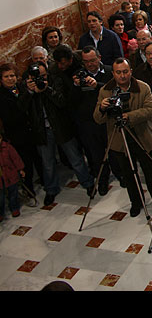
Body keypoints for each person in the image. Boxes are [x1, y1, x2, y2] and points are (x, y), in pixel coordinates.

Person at [93, 58, 152, 216]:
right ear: (113, 73)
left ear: (131, 72)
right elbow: (98, 119)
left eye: (125, 72)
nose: (122, 76)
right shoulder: (105, 91)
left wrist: (129, 116)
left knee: (149, 171)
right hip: (120, 140)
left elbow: (151, 109)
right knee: (128, 173)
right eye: (118, 72)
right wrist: (102, 108)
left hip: (142, 137)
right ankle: (136, 201)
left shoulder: (142, 87)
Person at [19, 60, 94, 206]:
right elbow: (21, 108)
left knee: (76, 158)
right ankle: (51, 190)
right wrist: (29, 92)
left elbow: (62, 102)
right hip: (42, 130)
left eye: (43, 75)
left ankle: (88, 183)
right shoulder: (25, 86)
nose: (41, 79)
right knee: (47, 163)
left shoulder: (56, 80)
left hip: (61, 127)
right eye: (37, 76)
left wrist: (47, 89)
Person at [70, 46, 120, 195]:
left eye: (92, 60)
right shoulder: (79, 76)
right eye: (86, 62)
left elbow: (116, 90)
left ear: (99, 58)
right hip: (89, 122)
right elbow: (71, 101)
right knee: (96, 155)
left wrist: (97, 86)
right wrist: (76, 86)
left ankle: (120, 174)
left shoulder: (110, 71)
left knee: (115, 150)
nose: (90, 64)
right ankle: (102, 180)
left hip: (108, 119)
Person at [0, 63, 42, 197]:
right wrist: (28, 94)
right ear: (1, 79)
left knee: (38, 158)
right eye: (6, 76)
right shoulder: (1, 96)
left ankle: (44, 180)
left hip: (31, 131)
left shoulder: (20, 88)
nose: (10, 79)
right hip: (17, 135)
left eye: (12, 75)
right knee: (25, 163)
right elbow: (14, 114)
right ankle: (29, 189)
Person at [0, 131, 25, 221]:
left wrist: (20, 169)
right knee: (0, 197)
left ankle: (14, 208)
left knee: (13, 193)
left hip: (11, 174)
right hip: (0, 178)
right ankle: (0, 213)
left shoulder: (8, 147)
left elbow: (16, 159)